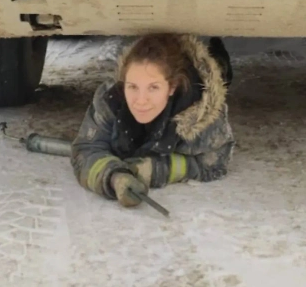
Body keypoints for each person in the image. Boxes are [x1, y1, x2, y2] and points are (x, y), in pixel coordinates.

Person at [72, 34, 235, 208]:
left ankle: (220, 58)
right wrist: (113, 177)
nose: (141, 100)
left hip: (197, 81)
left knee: (220, 71)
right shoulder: (111, 99)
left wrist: (157, 170)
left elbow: (217, 159)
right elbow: (86, 149)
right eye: (132, 87)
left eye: (153, 88)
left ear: (172, 87)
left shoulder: (199, 111)